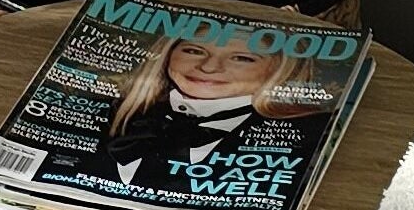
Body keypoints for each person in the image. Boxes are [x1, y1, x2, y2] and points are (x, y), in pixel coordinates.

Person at [98, 35, 327, 197]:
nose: (209, 67)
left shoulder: (314, 130)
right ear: (168, 54)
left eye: (242, 58)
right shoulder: (113, 109)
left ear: (280, 68)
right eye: (193, 50)